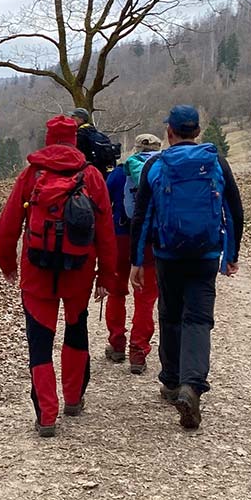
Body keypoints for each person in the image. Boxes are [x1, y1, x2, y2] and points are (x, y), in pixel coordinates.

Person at [0, 115, 117, 437]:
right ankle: (74, 399)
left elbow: (6, 227)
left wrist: (8, 265)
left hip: (36, 276)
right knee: (76, 331)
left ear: (48, 139)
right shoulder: (91, 177)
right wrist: (105, 275)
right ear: (75, 140)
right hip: (78, 273)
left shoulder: (31, 176)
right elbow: (105, 232)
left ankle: (46, 416)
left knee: (40, 342)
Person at [129, 105, 244, 430]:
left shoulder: (156, 165)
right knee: (198, 318)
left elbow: (142, 217)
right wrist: (231, 254)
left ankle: (170, 380)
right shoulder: (216, 162)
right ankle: (192, 386)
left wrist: (137, 261)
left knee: (170, 313)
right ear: (197, 131)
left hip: (167, 255)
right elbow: (234, 210)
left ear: (169, 132)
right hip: (206, 255)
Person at [102, 133, 162, 374]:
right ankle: (138, 352)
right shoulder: (162, 172)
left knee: (116, 292)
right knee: (145, 297)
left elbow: (103, 208)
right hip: (148, 241)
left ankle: (117, 343)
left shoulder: (118, 173)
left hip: (120, 238)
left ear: (135, 150)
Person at [70, 107, 119, 176]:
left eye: (74, 117)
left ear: (81, 119)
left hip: (88, 170)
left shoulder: (81, 134)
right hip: (102, 170)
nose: (71, 118)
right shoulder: (96, 132)